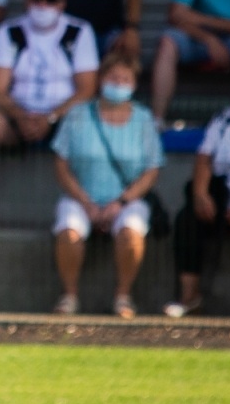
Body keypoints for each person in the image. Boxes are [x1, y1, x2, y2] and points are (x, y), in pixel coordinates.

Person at [0, 0, 99, 209]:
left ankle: (88, 206)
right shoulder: (9, 32)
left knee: (88, 125)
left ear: (62, 3)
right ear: (27, 0)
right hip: (18, 117)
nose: (43, 5)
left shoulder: (79, 32)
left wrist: (50, 118)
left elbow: (87, 90)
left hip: (64, 120)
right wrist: (21, 116)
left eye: (51, 0)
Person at [49, 52, 162, 319]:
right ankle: (69, 297)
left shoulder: (144, 119)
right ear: (101, 79)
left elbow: (152, 169)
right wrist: (85, 202)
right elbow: (61, 164)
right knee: (69, 230)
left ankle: (123, 297)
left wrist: (120, 202)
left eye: (125, 79)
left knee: (131, 231)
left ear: (134, 85)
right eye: (113, 77)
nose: (118, 83)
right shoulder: (77, 115)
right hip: (80, 197)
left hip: (126, 199)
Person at [166, 67, 230, 317]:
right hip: (222, 199)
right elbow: (204, 158)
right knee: (188, 219)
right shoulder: (224, 121)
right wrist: (201, 194)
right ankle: (189, 296)